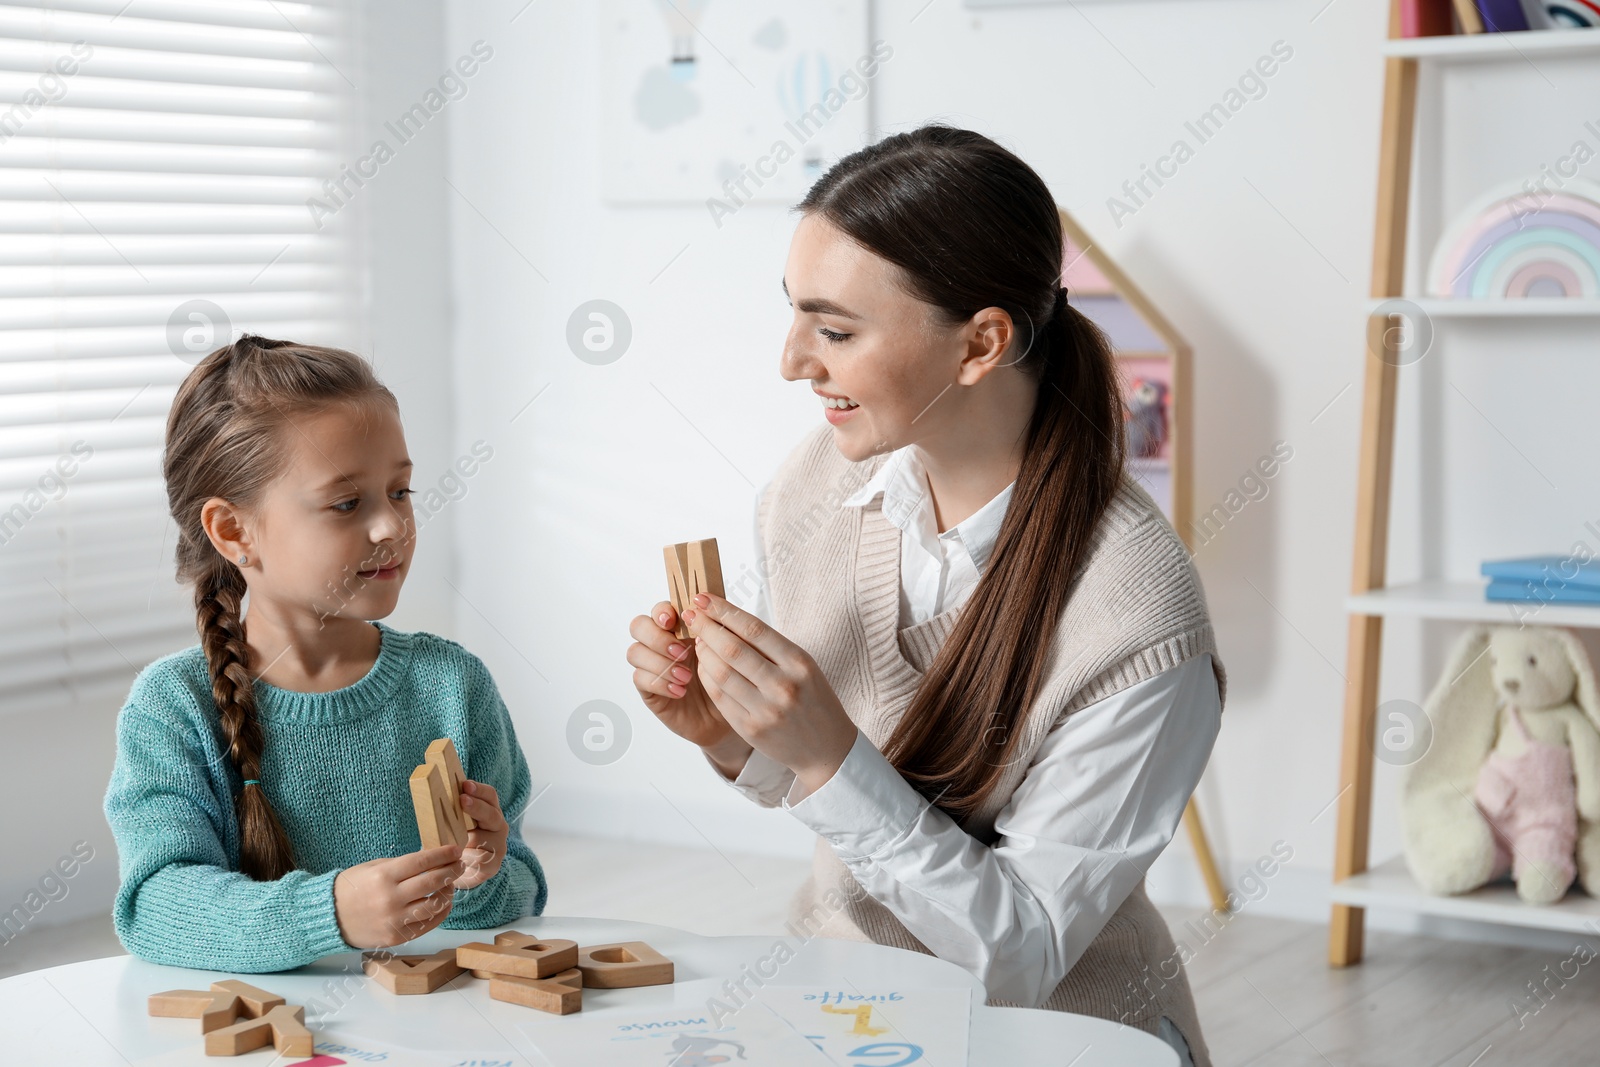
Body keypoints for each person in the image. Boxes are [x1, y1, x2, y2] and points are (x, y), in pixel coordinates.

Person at [628, 125, 1223, 1066]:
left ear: (981, 343)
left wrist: (828, 753)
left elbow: (1022, 954)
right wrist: (730, 733)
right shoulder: (810, 490)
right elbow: (833, 792)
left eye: (834, 329)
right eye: (795, 316)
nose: (792, 361)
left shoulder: (1138, 616)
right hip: (848, 1009)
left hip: (1063, 1032)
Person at [104, 336, 545, 972]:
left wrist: (482, 877)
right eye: (346, 503)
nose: (392, 526)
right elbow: (155, 906)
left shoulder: (453, 686)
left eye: (400, 491)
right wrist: (330, 913)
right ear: (235, 532)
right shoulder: (173, 707)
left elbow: (524, 895)